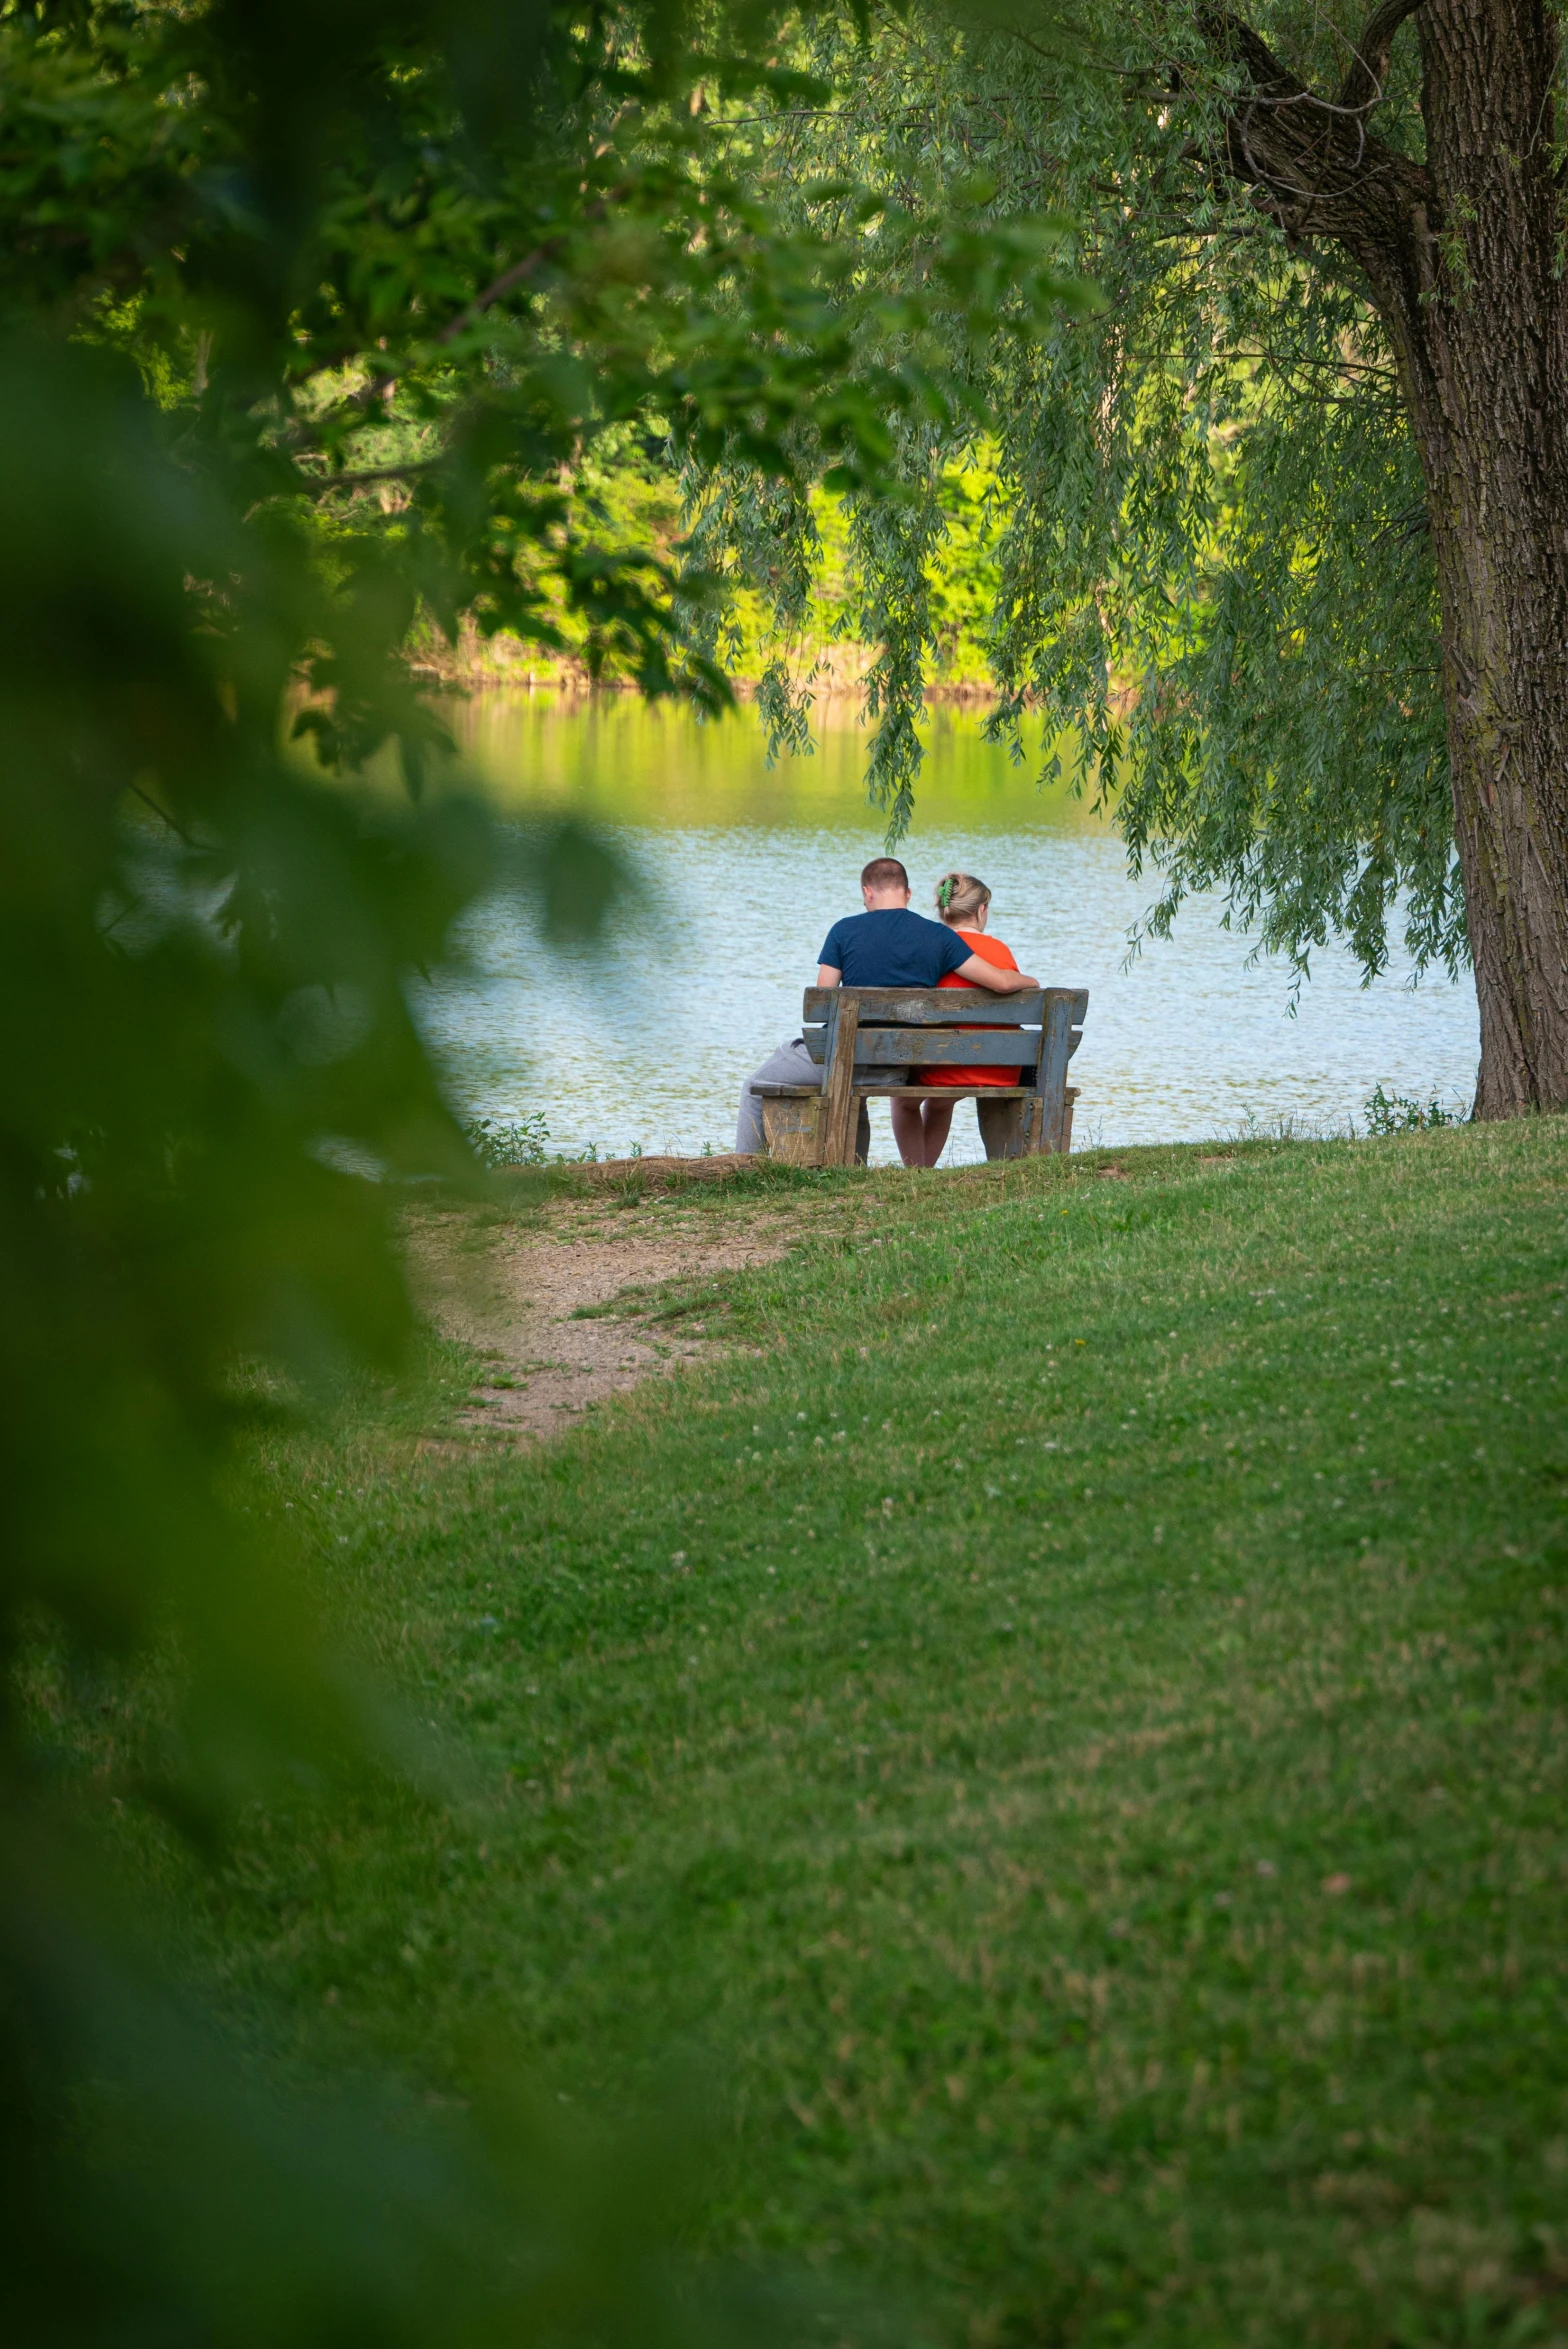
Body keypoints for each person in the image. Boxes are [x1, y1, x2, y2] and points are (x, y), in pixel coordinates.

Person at [735, 856, 1039, 1163]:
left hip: (844, 1060)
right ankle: (853, 1165)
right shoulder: (939, 936)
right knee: (856, 1088)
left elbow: (824, 1001)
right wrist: (1030, 981)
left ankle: (744, 1167)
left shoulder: (843, 930)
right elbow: (999, 982)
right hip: (895, 1069)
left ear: (867, 892)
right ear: (908, 894)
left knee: (754, 1086)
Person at [901, 870, 1023, 1168]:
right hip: (1000, 1070)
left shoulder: (930, 949)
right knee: (941, 1100)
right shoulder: (1000, 951)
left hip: (942, 1069)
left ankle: (917, 1172)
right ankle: (923, 1173)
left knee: (904, 1100)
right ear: (982, 910)